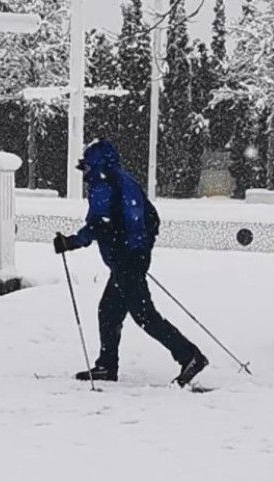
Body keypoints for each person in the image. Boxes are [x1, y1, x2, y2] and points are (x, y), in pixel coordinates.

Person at [53, 139, 208, 387]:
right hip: (131, 258)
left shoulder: (104, 183)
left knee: (145, 316)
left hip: (127, 261)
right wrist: (141, 248)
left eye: (86, 167)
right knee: (109, 311)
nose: (84, 173)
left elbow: (99, 225)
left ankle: (190, 356)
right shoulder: (124, 180)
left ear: (96, 164)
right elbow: (151, 218)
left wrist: (71, 242)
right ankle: (106, 365)